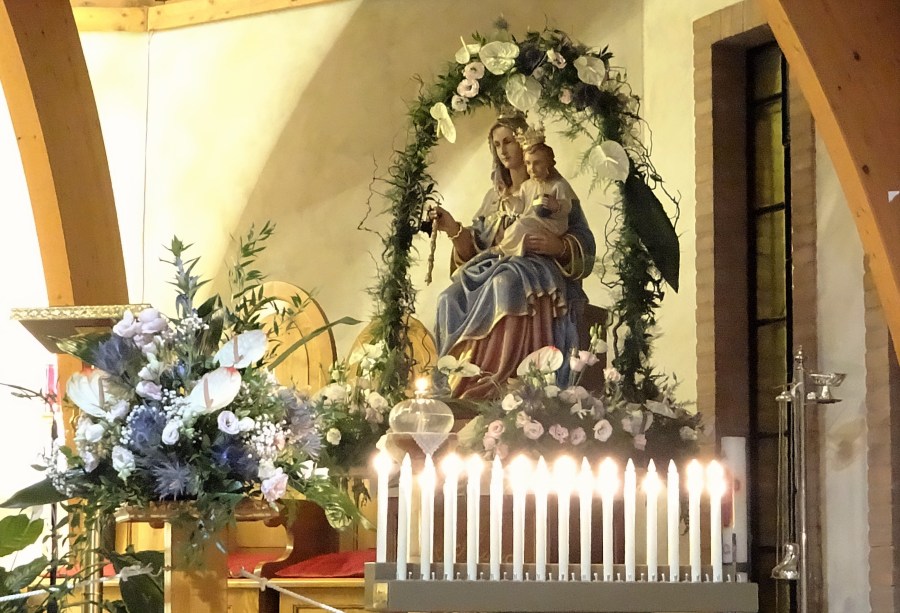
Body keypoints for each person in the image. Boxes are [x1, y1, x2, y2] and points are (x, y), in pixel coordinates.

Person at [429, 112, 596, 398]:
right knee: (448, 298)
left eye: (508, 141)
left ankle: (501, 383)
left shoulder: (553, 188)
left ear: (523, 144)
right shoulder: (494, 198)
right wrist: (453, 228)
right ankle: (459, 384)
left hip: (535, 270)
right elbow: (475, 252)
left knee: (504, 284)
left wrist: (558, 247)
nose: (503, 150)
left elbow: (584, 241)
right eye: (497, 145)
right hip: (492, 264)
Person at [496, 126, 575, 257]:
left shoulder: (558, 185)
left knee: (519, 226)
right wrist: (508, 197)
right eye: (528, 163)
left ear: (548, 163)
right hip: (531, 223)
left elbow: (567, 208)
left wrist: (556, 206)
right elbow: (520, 207)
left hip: (552, 225)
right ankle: (508, 252)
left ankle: (503, 250)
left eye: (537, 163)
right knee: (514, 228)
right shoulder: (526, 186)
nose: (532, 169)